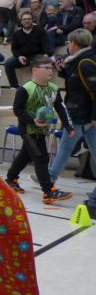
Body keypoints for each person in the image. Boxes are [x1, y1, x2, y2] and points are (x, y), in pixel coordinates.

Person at [5, 55, 73, 204]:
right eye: (47, 68)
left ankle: (10, 179)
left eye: (51, 68)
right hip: (28, 130)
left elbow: (61, 108)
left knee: (26, 155)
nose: (51, 71)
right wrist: (33, 121)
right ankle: (49, 191)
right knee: (41, 158)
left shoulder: (53, 88)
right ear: (35, 70)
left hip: (42, 130)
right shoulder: (25, 89)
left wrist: (68, 126)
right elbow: (18, 110)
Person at [47, 30, 96, 200]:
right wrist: (62, 69)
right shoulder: (78, 61)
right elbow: (76, 81)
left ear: (75, 43)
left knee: (65, 148)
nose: (67, 45)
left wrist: (94, 116)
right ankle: (49, 178)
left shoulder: (85, 63)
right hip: (82, 115)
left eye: (68, 42)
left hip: (82, 115)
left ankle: (48, 179)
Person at [7, 11, 47, 88]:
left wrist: (45, 54)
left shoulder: (40, 30)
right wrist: (19, 56)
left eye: (29, 19)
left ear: (32, 20)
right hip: (23, 58)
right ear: (21, 21)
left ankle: (40, 85)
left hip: (37, 56)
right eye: (24, 19)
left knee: (42, 63)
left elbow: (45, 44)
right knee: (8, 63)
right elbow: (14, 48)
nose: (27, 21)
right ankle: (14, 86)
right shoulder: (16, 33)